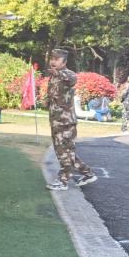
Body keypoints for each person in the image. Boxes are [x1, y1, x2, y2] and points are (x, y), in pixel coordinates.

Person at [45, 49, 97, 191]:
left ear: (64, 62)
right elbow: (54, 95)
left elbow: (72, 79)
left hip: (66, 122)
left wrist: (59, 73)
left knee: (64, 152)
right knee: (63, 151)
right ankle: (88, 174)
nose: (53, 62)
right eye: (52, 58)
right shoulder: (53, 77)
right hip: (56, 120)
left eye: (57, 59)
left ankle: (63, 181)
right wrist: (47, 101)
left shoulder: (67, 74)